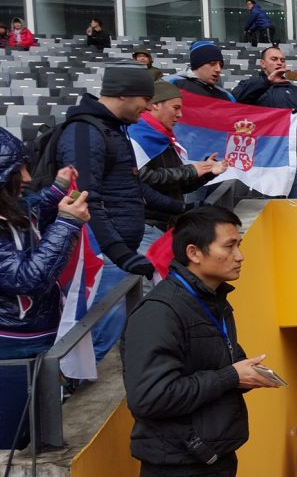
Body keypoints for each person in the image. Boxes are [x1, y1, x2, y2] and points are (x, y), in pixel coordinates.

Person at [122, 205, 281, 477]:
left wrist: (242, 374)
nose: (239, 256)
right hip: (180, 471)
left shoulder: (211, 301)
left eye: (239, 245)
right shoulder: (161, 312)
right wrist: (230, 376)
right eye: (230, 246)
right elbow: (150, 397)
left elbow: (211, 363)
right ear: (194, 252)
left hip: (209, 460)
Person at [57, 62, 186, 365]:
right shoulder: (85, 132)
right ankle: (75, 403)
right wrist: (120, 254)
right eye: (145, 100)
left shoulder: (114, 131)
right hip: (104, 253)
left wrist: (181, 208)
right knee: (104, 337)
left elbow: (133, 187)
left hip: (117, 251)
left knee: (120, 332)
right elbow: (85, 200)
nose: (147, 107)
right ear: (125, 95)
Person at [0, 131, 89, 449]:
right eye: (16, 171)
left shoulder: (11, 207)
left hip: (32, 347)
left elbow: (29, 211)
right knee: (10, 450)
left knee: (32, 441)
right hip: (9, 358)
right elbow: (27, 278)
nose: (26, 177)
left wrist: (56, 193)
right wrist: (66, 224)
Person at [129, 81, 225, 260]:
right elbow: (145, 179)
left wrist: (207, 171)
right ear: (155, 105)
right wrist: (191, 170)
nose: (180, 115)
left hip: (162, 225)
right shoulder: (136, 135)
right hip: (145, 226)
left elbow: (178, 185)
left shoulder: (164, 138)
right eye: (175, 108)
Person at [232, 46, 297, 199]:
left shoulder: (295, 91)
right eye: (274, 59)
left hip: (292, 159)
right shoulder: (251, 85)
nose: (279, 63)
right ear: (262, 63)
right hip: (263, 159)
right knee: (269, 209)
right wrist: (267, 81)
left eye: (282, 60)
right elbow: (237, 99)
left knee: (295, 208)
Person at [166, 41, 236, 101]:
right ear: (197, 64)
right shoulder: (171, 84)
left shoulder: (226, 96)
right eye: (212, 64)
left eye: (220, 65)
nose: (218, 70)